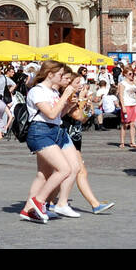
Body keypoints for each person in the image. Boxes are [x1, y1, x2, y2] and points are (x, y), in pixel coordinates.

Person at [20, 60, 85, 223]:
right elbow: (50, 114)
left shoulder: (53, 91)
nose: (63, 78)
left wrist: (68, 105)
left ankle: (28, 210)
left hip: (56, 130)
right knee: (64, 169)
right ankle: (39, 201)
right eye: (60, 74)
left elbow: (57, 115)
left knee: (44, 174)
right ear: (50, 74)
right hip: (40, 132)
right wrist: (65, 96)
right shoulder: (37, 91)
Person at [58, 69, 114, 215]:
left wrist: (87, 105)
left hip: (76, 138)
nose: (80, 85)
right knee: (79, 171)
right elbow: (78, 116)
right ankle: (94, 204)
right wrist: (83, 101)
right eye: (77, 83)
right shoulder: (69, 98)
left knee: (63, 172)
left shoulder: (76, 98)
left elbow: (86, 117)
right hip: (67, 138)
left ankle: (49, 202)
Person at [117, 65, 136, 149]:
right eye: (130, 74)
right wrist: (123, 106)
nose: (131, 75)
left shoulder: (133, 83)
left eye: (132, 73)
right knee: (125, 124)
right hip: (127, 104)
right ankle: (122, 142)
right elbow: (121, 95)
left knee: (133, 124)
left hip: (134, 104)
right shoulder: (122, 83)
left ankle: (132, 142)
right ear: (125, 74)